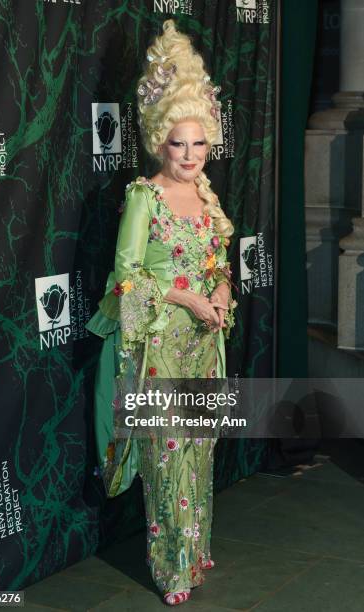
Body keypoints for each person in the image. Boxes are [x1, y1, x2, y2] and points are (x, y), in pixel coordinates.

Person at [86, 19, 237, 606]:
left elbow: (220, 261)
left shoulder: (206, 196)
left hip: (202, 343)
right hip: (157, 346)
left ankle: (195, 547)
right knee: (167, 454)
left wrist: (221, 294)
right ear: (159, 141)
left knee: (197, 450)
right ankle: (171, 567)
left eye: (199, 143)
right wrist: (186, 298)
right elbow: (126, 278)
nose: (191, 155)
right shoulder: (142, 197)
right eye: (180, 143)